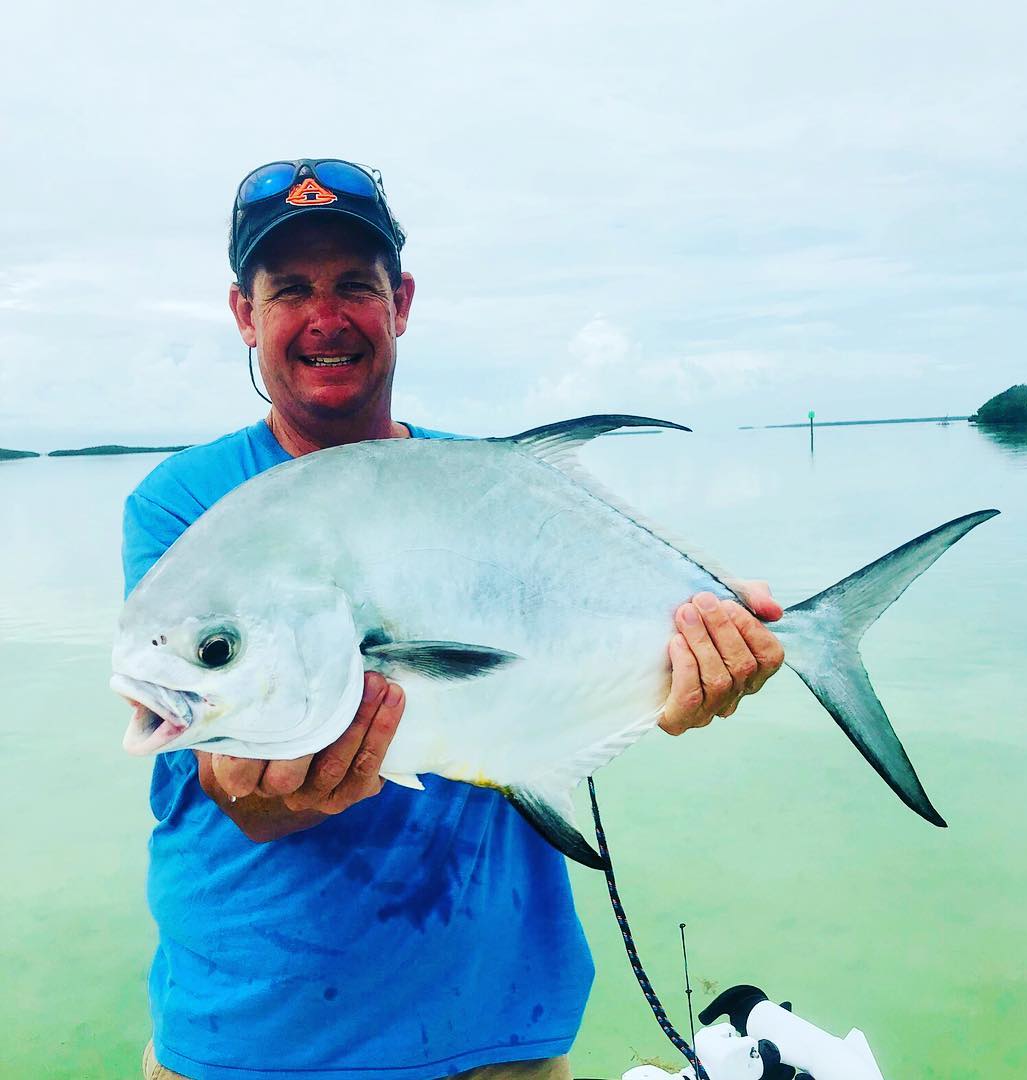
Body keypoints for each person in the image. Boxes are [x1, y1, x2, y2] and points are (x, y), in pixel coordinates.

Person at [124, 159, 785, 1080]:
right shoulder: (184, 508)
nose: (326, 318)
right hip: (253, 1039)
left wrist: (682, 682)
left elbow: (544, 688)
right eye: (291, 290)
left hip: (500, 1030)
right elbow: (224, 789)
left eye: (355, 284)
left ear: (400, 301)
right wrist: (258, 786)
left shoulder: (495, 485)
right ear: (245, 311)